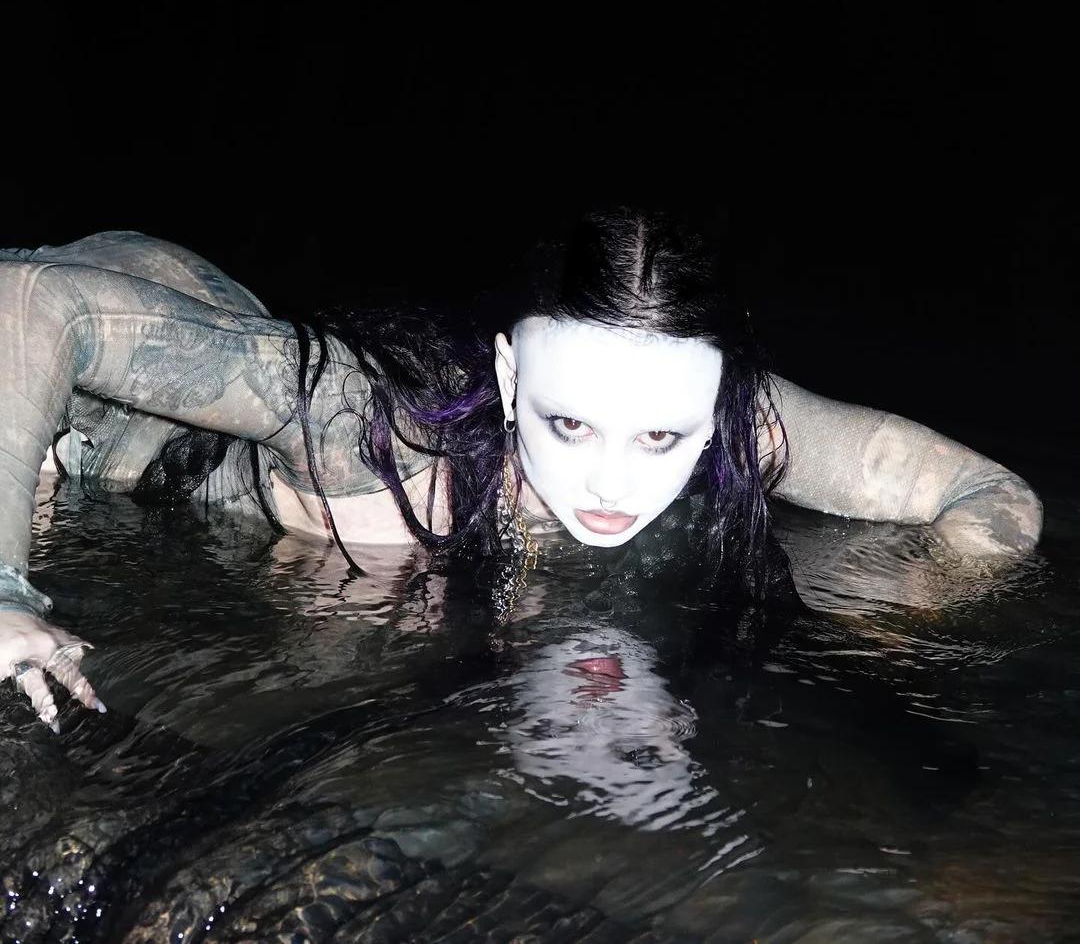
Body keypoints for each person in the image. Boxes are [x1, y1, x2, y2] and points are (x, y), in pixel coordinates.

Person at [0, 211, 1042, 732]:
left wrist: (910, 605)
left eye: (661, 438)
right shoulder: (371, 418)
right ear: (508, 374)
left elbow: (993, 496)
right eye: (570, 422)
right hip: (102, 383)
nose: (611, 482)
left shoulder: (723, 414)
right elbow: (34, 302)